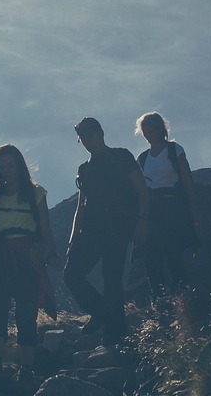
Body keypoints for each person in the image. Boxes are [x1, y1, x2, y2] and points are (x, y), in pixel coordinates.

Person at [0, 144, 60, 384]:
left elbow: (45, 227)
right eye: (2, 167)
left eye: (11, 165)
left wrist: (51, 253)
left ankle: (26, 369)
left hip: (28, 257)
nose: (7, 171)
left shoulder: (36, 194)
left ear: (19, 165)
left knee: (26, 312)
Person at [64, 117, 149, 342]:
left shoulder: (121, 156)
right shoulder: (84, 169)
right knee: (71, 274)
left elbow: (142, 189)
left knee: (112, 277)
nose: (86, 141)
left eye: (89, 135)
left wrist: (142, 220)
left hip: (117, 225)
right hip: (92, 227)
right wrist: (73, 238)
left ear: (100, 133)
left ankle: (116, 335)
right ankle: (102, 314)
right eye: (82, 138)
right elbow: (81, 206)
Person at [135, 111, 203, 294]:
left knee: (174, 253)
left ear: (160, 129)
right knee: (152, 258)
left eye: (152, 130)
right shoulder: (142, 159)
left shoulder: (174, 150)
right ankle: (160, 304)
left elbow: (187, 180)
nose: (149, 135)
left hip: (172, 207)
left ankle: (183, 299)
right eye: (146, 132)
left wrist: (194, 208)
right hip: (152, 211)